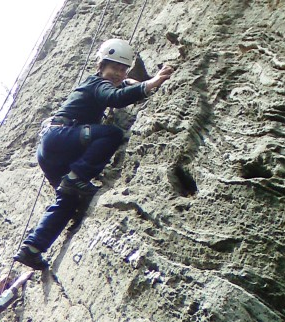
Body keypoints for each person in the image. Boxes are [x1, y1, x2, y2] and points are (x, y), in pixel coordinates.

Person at [14, 38, 175, 271]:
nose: (118, 73)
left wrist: (130, 81)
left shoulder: (102, 84)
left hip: (54, 149)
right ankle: (77, 177)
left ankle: (32, 249)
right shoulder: (96, 82)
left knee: (68, 201)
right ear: (101, 66)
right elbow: (114, 98)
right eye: (114, 68)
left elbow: (117, 89)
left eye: (123, 69)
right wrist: (153, 82)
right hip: (61, 137)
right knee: (111, 134)